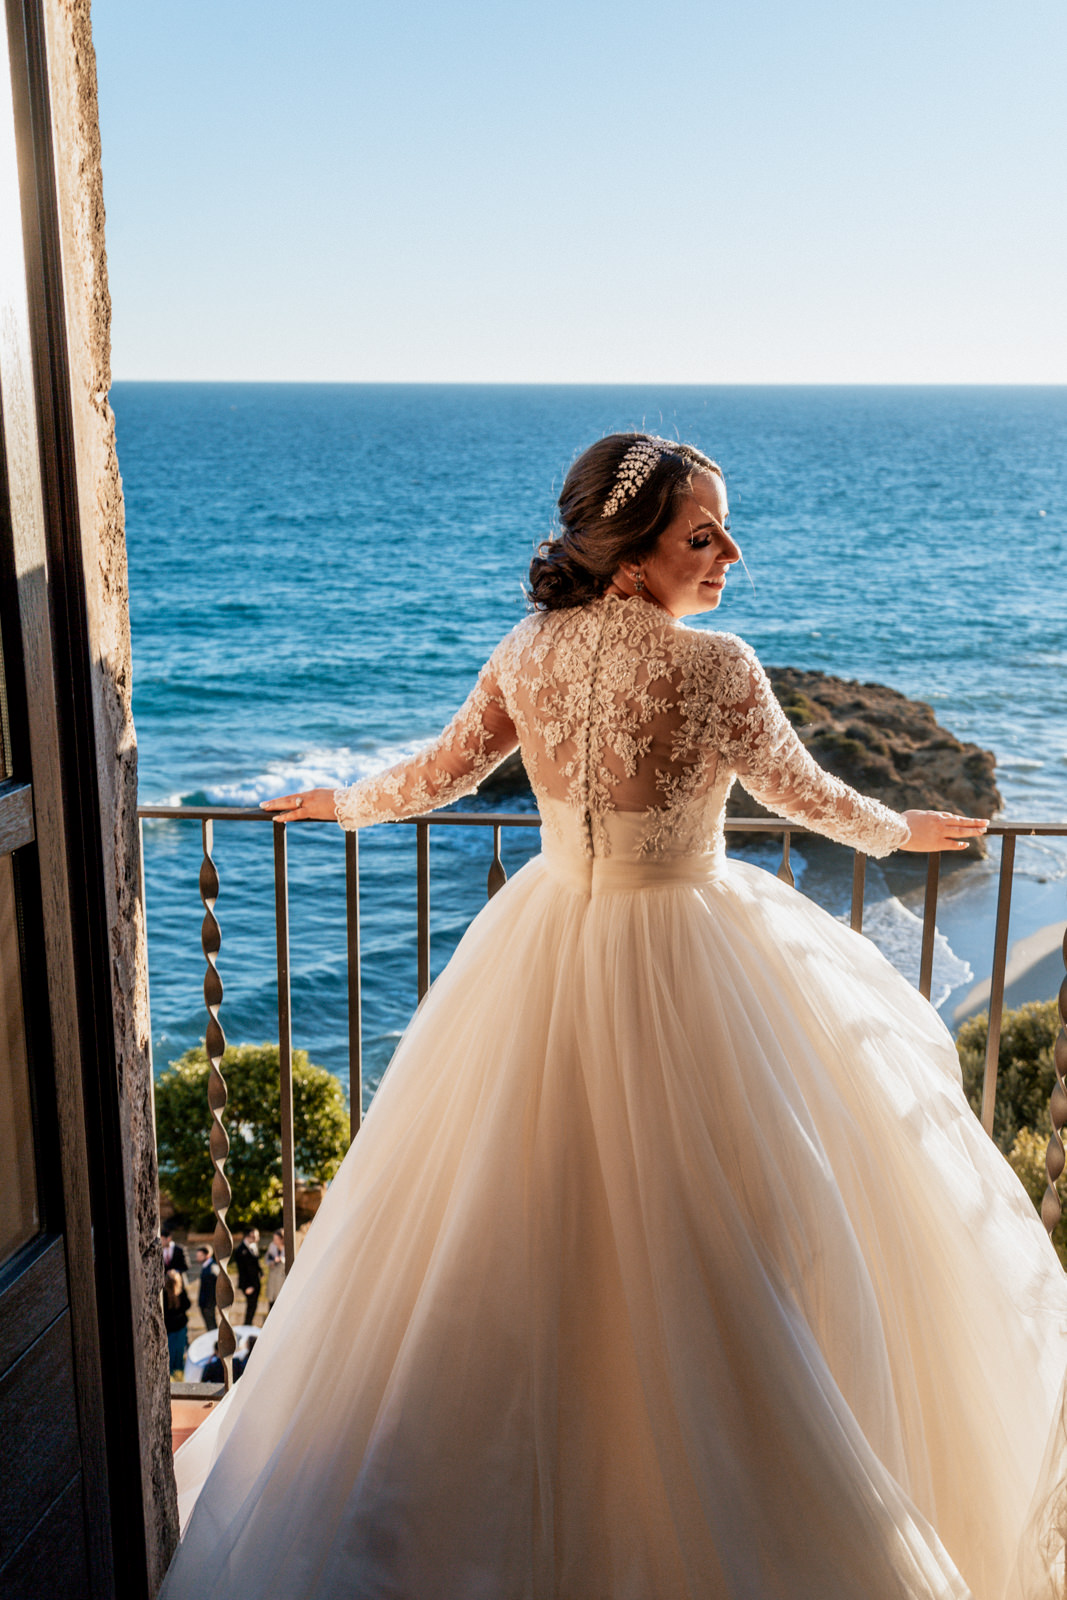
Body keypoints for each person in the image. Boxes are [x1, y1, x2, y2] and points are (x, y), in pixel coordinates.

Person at [160, 434, 1067, 1599]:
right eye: (703, 535)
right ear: (629, 560)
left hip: (542, 943)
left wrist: (335, 803)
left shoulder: (525, 648)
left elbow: (435, 774)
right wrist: (903, 829)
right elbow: (810, 798)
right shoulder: (718, 667)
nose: (730, 552)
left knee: (512, 1221)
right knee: (740, 1234)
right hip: (687, 948)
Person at [162, 1268, 191, 1380]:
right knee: (179, 1351)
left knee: (169, 1351)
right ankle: (178, 1372)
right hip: (180, 1326)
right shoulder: (181, 1292)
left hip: (169, 1328)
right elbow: (187, 1305)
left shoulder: (163, 1293)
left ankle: (170, 1372)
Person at [232, 1227, 261, 1327]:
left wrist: (260, 1272)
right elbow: (243, 1270)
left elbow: (255, 1263)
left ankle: (248, 1324)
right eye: (255, 1236)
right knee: (251, 1306)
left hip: (255, 1282)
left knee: (253, 1306)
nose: (257, 1238)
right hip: (249, 1284)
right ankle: (247, 1325)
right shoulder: (241, 1250)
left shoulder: (253, 1246)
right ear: (249, 1236)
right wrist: (248, 1285)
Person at [195, 1245, 219, 1331]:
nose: (198, 1258)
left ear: (207, 1255)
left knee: (212, 1327)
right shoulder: (207, 1266)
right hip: (206, 1304)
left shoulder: (212, 1268)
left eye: (200, 1256)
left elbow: (212, 1289)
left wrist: (208, 1305)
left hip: (208, 1305)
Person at [264, 1230, 286, 1312]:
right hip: (273, 1277)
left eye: (276, 1239)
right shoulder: (272, 1246)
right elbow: (267, 1259)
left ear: (282, 1239)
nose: (274, 1241)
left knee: (280, 1302)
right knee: (271, 1303)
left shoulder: (287, 1247)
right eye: (274, 1239)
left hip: (282, 1278)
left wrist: (281, 1259)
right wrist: (272, 1262)